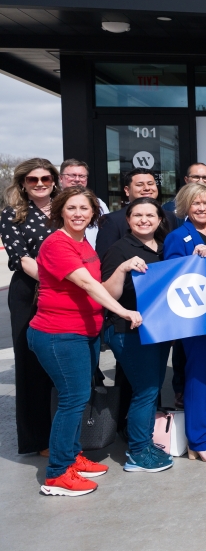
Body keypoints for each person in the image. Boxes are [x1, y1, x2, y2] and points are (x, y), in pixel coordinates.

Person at [30, 187, 142, 496]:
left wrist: (121, 267)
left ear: (94, 213)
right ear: (61, 212)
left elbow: (102, 286)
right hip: (59, 334)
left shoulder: (84, 245)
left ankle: (71, 456)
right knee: (72, 400)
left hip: (84, 333)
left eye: (84, 208)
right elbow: (87, 284)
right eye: (71, 208)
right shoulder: (57, 245)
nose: (78, 213)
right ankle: (56, 475)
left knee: (78, 399)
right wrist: (123, 311)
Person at [101, 198, 174, 473]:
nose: (144, 220)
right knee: (145, 390)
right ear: (128, 220)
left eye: (150, 215)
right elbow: (108, 295)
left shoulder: (165, 246)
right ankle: (138, 453)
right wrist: (122, 269)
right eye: (138, 215)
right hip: (127, 330)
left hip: (158, 329)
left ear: (159, 219)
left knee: (152, 387)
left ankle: (143, 443)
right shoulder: (119, 250)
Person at [163, 183, 206, 462]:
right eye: (196, 204)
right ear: (184, 207)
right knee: (199, 377)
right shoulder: (178, 237)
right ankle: (198, 441)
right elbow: (171, 278)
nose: (202, 208)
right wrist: (193, 259)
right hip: (197, 321)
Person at [1, 158, 59, 456]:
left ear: (54, 180)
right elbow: (22, 259)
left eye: (45, 179)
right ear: (23, 183)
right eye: (32, 180)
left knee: (64, 362)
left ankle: (72, 432)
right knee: (31, 364)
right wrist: (61, 282)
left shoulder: (66, 209)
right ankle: (39, 439)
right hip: (31, 292)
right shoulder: (12, 215)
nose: (39, 184)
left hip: (68, 290)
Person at [95, 169, 178, 258]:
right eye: (139, 185)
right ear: (127, 190)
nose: (147, 188)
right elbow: (104, 259)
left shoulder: (169, 216)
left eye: (150, 184)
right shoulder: (112, 220)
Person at [59, 159, 108, 248]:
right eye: (72, 175)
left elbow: (107, 232)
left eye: (81, 176)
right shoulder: (53, 202)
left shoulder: (98, 203)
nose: (77, 179)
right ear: (61, 178)